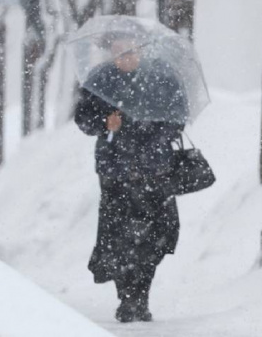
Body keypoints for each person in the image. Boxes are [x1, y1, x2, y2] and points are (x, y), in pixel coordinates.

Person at [75, 34, 186, 323]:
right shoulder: (100, 81)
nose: (125, 56)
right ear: (111, 51)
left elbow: (177, 118)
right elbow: (83, 120)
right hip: (116, 172)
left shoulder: (162, 78)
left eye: (130, 50)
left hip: (155, 170)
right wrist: (104, 123)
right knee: (119, 238)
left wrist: (151, 133)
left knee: (158, 234)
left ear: (141, 50)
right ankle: (129, 298)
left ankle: (141, 292)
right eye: (118, 51)